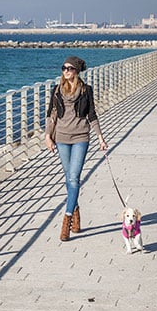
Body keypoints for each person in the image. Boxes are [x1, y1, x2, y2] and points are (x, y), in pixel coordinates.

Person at [44, 55, 108, 241]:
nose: (66, 71)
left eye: (69, 68)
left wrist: (100, 138)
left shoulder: (86, 90)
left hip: (81, 137)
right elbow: (51, 115)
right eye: (63, 68)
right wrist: (48, 136)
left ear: (76, 71)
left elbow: (92, 115)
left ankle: (67, 219)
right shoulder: (56, 90)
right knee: (69, 179)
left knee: (73, 178)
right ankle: (76, 209)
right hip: (62, 138)